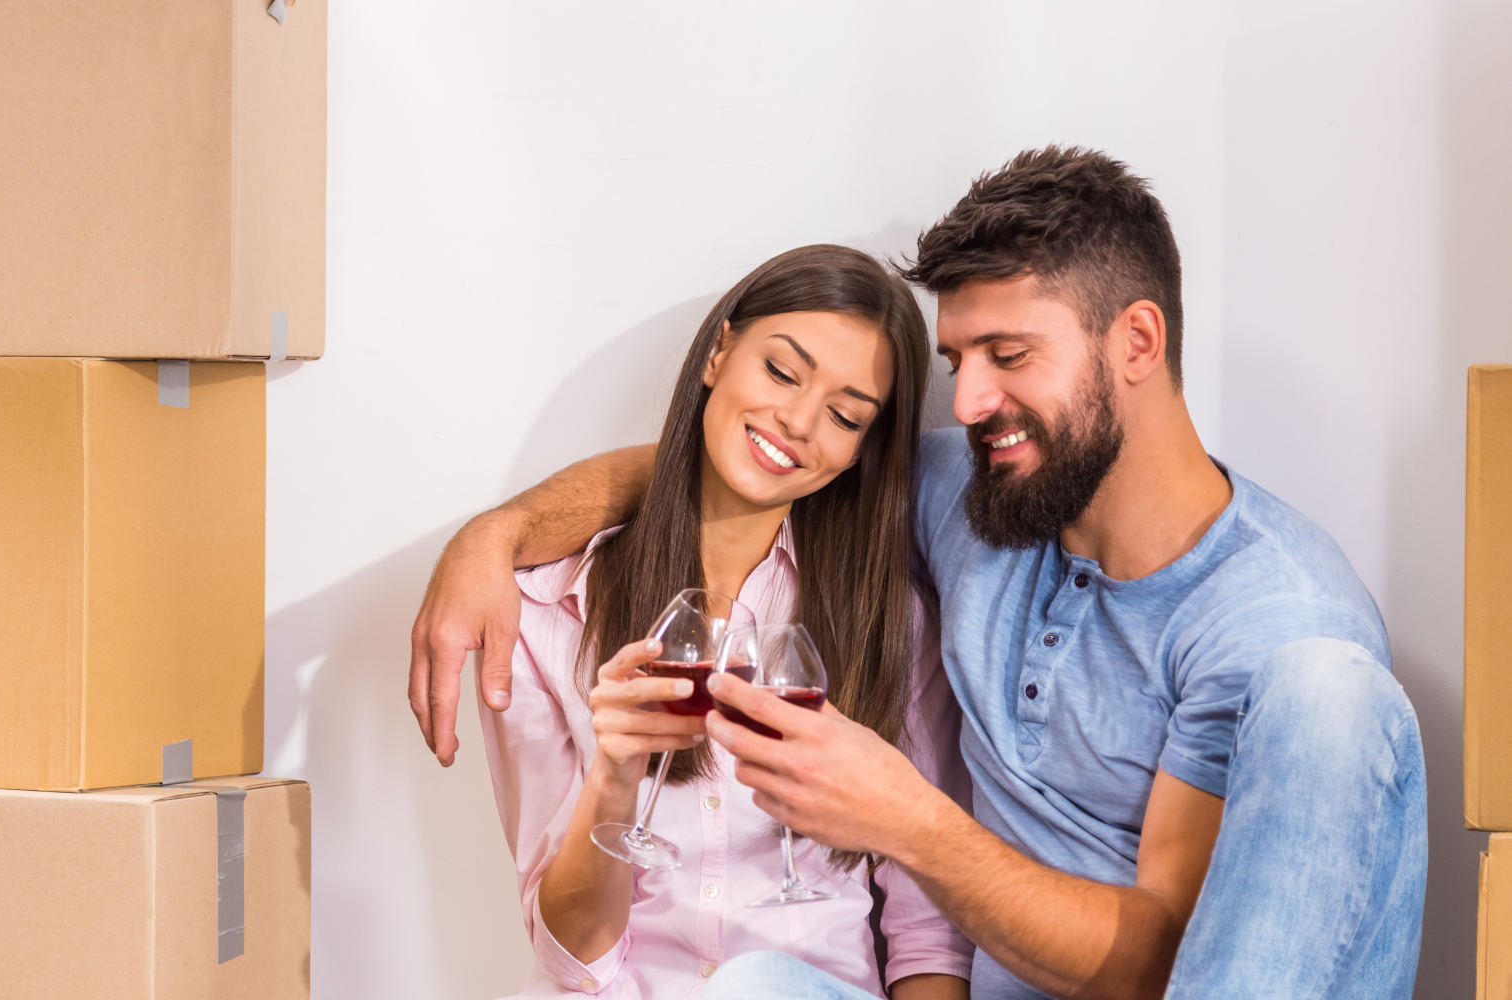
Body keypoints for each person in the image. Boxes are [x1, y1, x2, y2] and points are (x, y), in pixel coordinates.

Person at [413, 147, 1428, 999]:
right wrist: (497, 534)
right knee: (753, 987)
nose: (970, 401)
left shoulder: (1272, 613)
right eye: (957, 361)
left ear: (1136, 340)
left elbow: (1162, 962)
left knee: (1330, 688)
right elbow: (752, 463)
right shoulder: (983, 491)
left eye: (1007, 355)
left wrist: (905, 817)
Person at [478, 244, 972, 999]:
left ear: (859, 450)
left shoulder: (889, 623)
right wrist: (615, 775)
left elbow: (927, 930)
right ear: (719, 352)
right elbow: (573, 958)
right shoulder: (547, 614)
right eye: (781, 372)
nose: (798, 421)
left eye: (844, 415)